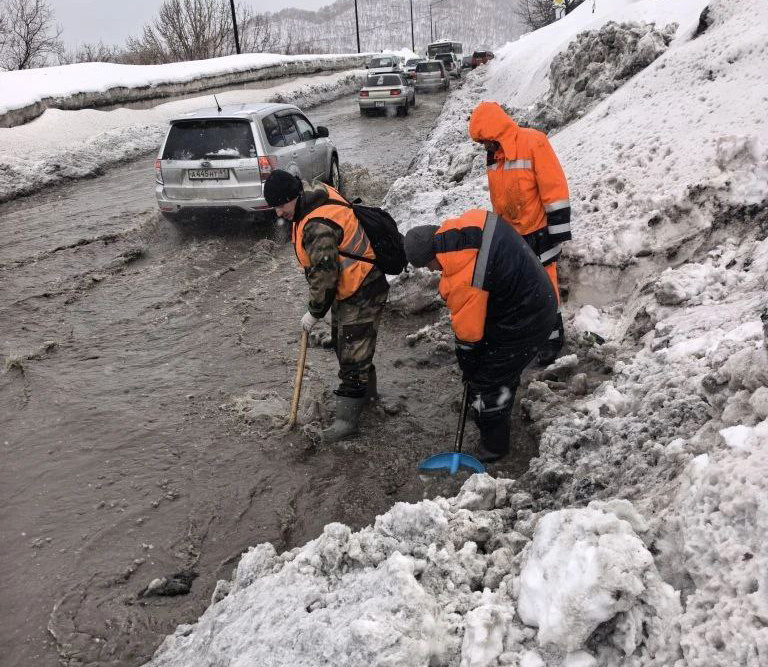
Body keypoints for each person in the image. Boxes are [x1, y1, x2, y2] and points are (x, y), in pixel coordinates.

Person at [404, 209, 558, 462]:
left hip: (527, 317)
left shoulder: (464, 277)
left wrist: (469, 367)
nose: (432, 271)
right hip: (527, 297)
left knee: (489, 381)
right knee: (494, 364)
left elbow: (468, 337)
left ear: (432, 257)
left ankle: (494, 446)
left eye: (429, 266)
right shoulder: (468, 227)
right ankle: (493, 404)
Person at [263, 169, 389, 443]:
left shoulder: (316, 226)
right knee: (348, 344)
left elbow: (325, 274)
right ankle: (368, 398)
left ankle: (346, 422)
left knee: (352, 354)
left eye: (281, 206)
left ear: (294, 196)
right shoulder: (312, 195)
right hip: (353, 286)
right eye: (274, 207)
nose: (279, 213)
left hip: (363, 287)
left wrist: (314, 312)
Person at [468, 101, 571, 366]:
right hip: (513, 236)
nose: (484, 146)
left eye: (485, 140)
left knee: (545, 288)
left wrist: (557, 229)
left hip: (539, 231)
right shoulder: (495, 156)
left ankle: (551, 339)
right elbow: (499, 199)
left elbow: (554, 186)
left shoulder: (533, 142)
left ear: (495, 132)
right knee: (519, 291)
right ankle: (527, 337)